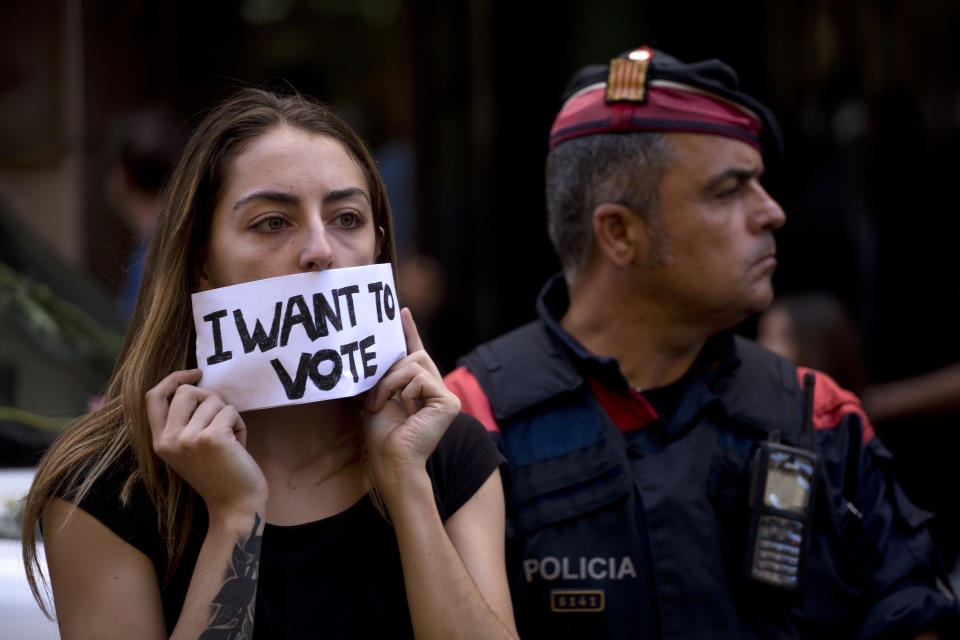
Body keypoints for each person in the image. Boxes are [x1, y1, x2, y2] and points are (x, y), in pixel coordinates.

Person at [445, 46, 959, 639]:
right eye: (729, 191)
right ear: (619, 232)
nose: (772, 213)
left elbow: (913, 616)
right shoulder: (471, 422)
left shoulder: (819, 414)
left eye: (760, 184)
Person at [22, 88, 519, 640]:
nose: (320, 249)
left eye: (347, 218)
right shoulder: (106, 484)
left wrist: (407, 484)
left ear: (377, 246)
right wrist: (236, 515)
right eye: (272, 223)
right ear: (201, 261)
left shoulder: (446, 452)